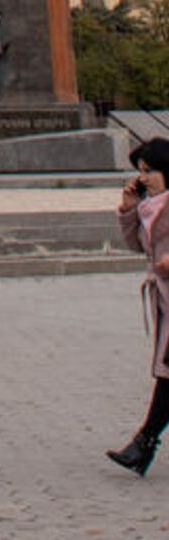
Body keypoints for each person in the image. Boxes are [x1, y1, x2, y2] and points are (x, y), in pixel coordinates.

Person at [110, 139, 169, 473]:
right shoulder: (152, 206)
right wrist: (129, 209)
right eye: (141, 172)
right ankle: (142, 446)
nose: (145, 178)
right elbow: (137, 246)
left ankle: (143, 444)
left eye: (151, 171)